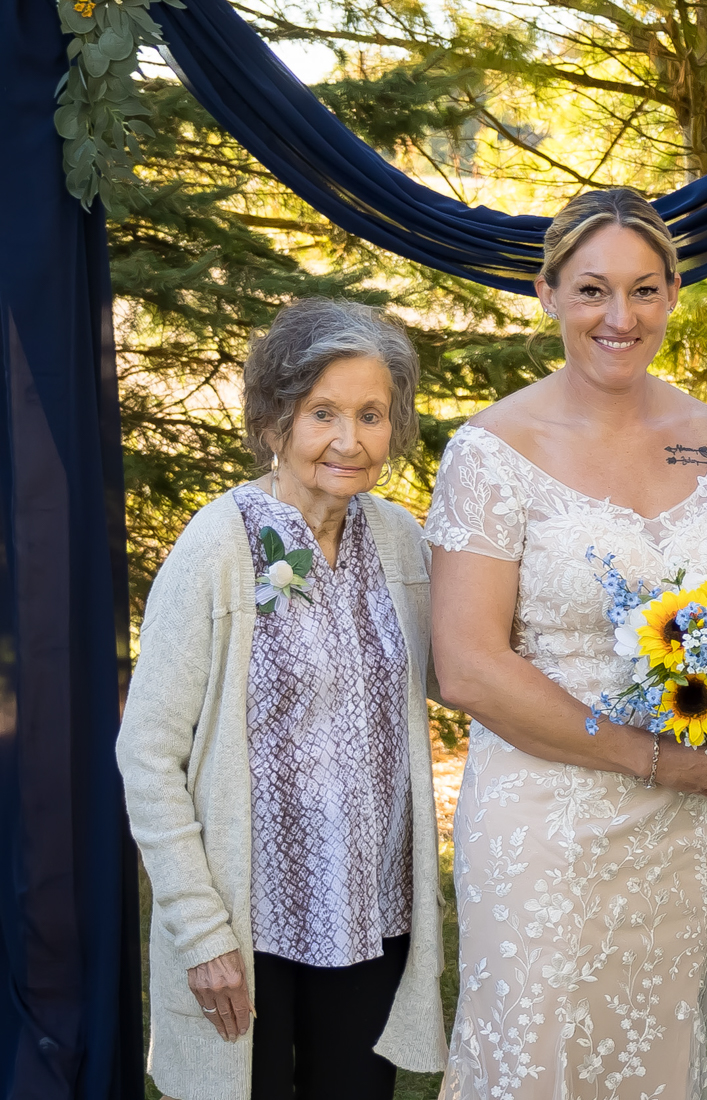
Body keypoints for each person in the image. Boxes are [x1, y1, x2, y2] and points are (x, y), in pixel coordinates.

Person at [426, 187, 707, 1100]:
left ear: (674, 293)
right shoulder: (491, 451)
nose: (621, 317)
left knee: (656, 1051)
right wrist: (653, 759)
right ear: (547, 294)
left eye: (645, 290)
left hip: (680, 829)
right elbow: (469, 668)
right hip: (545, 817)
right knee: (538, 1058)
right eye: (592, 290)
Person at [117, 299, 447, 1100]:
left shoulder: (399, 539)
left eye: (372, 415)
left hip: (371, 911)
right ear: (274, 421)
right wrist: (202, 932)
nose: (350, 440)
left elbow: (458, 674)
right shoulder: (217, 546)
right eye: (322, 413)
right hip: (249, 919)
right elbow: (148, 754)